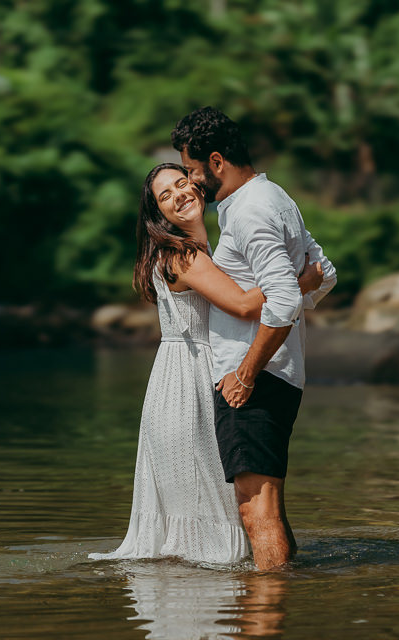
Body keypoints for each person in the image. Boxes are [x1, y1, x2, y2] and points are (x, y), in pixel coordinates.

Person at [89, 163, 324, 565]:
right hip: (187, 379)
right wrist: (305, 280)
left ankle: (215, 601)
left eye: (182, 183)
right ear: (158, 214)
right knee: (210, 498)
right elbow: (246, 305)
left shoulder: (204, 252)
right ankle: (210, 607)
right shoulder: (182, 255)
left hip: (197, 370)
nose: (179, 194)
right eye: (166, 195)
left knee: (223, 497)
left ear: (197, 185)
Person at [171, 107, 337, 570]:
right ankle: (275, 605)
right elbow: (324, 273)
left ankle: (265, 616)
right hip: (280, 372)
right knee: (267, 505)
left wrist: (245, 373)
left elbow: (283, 299)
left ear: (216, 161)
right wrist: (298, 290)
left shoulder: (250, 211)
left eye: (191, 169)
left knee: (255, 509)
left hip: (257, 377)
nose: (191, 180)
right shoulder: (274, 197)